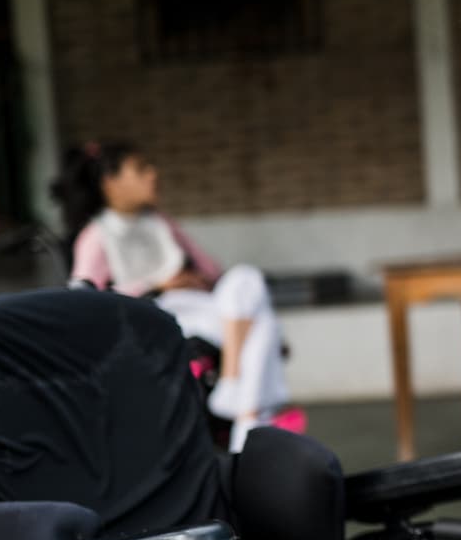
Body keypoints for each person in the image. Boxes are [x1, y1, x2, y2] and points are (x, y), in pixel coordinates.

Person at [51, 143, 287, 448]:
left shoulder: (160, 223)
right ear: (111, 183)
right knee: (264, 327)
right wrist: (159, 285)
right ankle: (251, 421)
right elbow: (82, 299)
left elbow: (214, 272)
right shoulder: (97, 235)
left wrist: (194, 279)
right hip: (161, 314)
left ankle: (233, 390)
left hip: (204, 305)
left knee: (246, 278)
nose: (153, 175)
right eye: (140, 169)